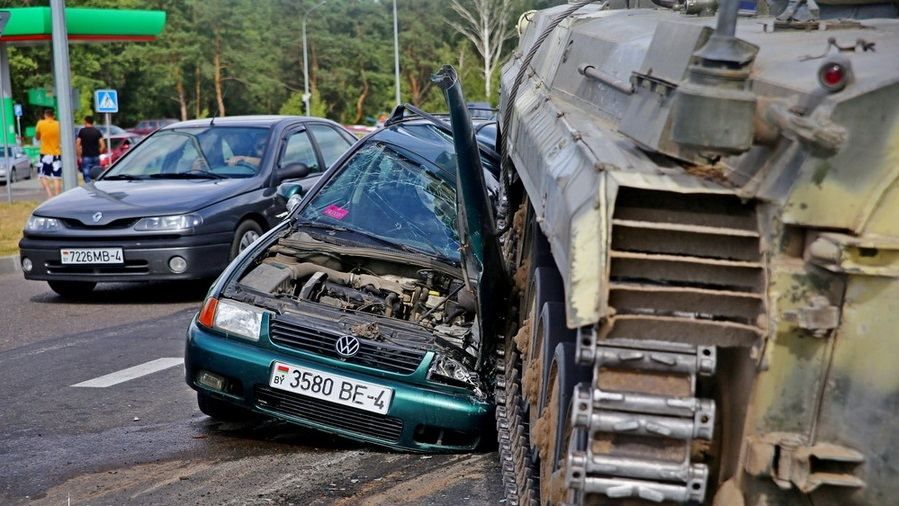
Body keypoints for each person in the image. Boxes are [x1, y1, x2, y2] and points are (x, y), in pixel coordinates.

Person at [35, 108, 62, 197]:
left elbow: (37, 137)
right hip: (57, 154)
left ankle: (50, 195)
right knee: (56, 177)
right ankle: (57, 196)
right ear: (53, 116)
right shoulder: (58, 124)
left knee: (42, 175)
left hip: (45, 154)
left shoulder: (40, 123)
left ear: (45, 115)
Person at [76, 115, 105, 183]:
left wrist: (79, 156)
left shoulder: (82, 131)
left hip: (86, 156)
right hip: (96, 156)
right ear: (92, 122)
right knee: (96, 174)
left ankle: (89, 188)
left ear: (85, 122)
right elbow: (103, 145)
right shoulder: (97, 131)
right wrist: (98, 152)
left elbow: (77, 144)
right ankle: (95, 187)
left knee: (86, 175)